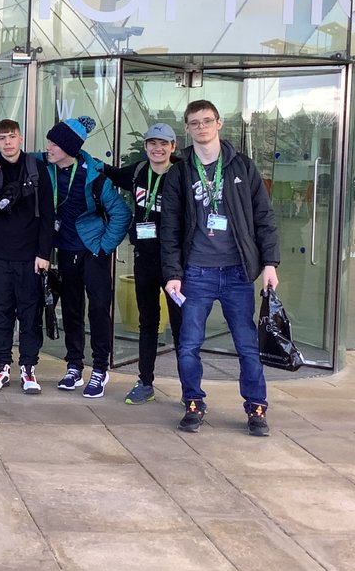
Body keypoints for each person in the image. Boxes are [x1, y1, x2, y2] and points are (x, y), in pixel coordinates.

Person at [160, 99, 280, 437]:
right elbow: (169, 228)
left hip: (237, 273)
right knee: (188, 345)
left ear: (219, 124)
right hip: (196, 272)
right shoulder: (179, 172)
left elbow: (264, 218)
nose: (201, 127)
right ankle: (193, 402)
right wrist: (173, 273)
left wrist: (270, 263)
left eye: (207, 120)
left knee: (246, 345)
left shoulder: (242, 167)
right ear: (186, 128)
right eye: (194, 122)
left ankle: (256, 408)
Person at [46, 116, 132, 399]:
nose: (48, 147)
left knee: (97, 309)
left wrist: (104, 246)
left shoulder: (94, 177)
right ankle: (73, 366)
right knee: (71, 309)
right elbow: (15, 156)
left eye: (54, 143)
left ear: (69, 147)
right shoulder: (48, 166)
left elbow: (122, 214)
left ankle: (99, 369)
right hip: (66, 251)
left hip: (93, 251)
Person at [101, 122, 183, 405]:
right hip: (144, 260)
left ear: (173, 147)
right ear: (146, 146)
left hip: (175, 264)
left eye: (163, 144)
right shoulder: (138, 172)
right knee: (148, 322)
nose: (157, 149)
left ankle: (190, 388)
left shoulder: (182, 175)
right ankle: (145, 381)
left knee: (182, 325)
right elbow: (108, 172)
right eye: (152, 143)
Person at [0, 120, 54, 393]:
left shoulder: (36, 167)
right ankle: (1, 367)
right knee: (0, 311)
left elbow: (47, 213)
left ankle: (28, 368)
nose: (7, 142)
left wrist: (44, 253)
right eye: (2, 138)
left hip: (30, 256)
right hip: (0, 255)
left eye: (11, 136)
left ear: (20, 138)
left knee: (30, 313)